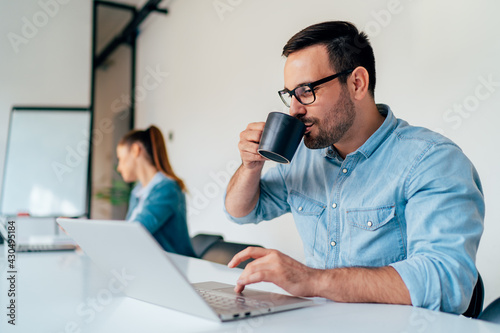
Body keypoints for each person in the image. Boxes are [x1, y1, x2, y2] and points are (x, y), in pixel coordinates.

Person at [224, 21, 484, 314]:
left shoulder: (433, 161)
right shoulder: (303, 156)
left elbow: (447, 283)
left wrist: (311, 280)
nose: (294, 110)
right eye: (289, 95)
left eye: (306, 91)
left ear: (357, 83)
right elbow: (241, 212)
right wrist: (250, 167)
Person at [117, 125, 195, 257]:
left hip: (175, 269)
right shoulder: (137, 191)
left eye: (120, 159)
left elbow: (136, 232)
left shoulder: (167, 188)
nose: (119, 167)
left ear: (136, 150)